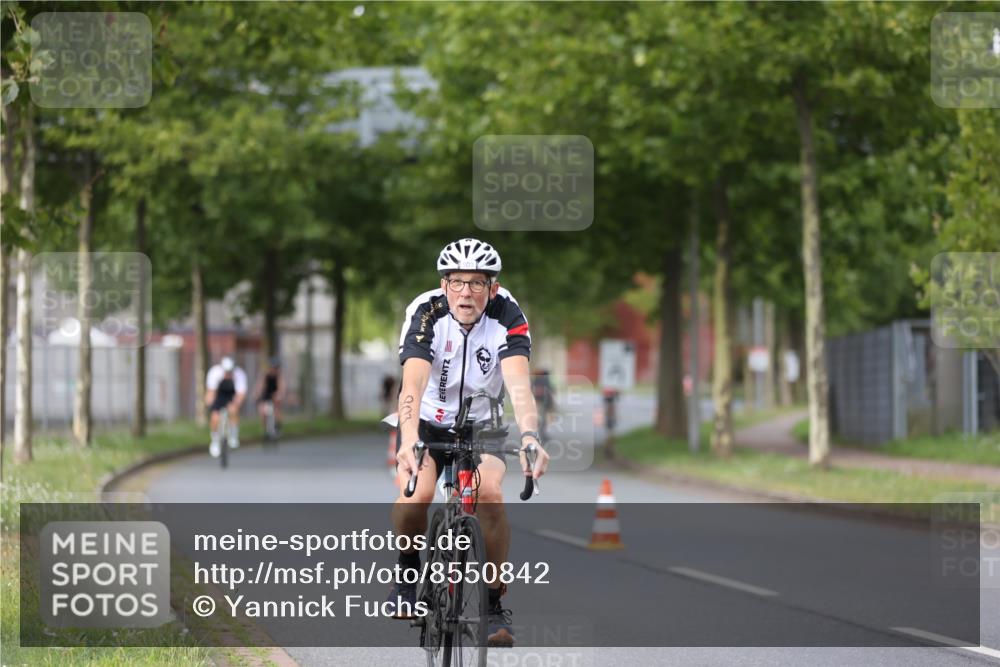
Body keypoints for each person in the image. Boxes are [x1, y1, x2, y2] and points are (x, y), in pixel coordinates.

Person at [388, 237, 551, 648]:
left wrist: (530, 436)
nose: (466, 292)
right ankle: (407, 574)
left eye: (477, 283)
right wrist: (409, 438)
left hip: (482, 425)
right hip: (425, 422)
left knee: (490, 494)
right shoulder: (426, 311)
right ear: (444, 285)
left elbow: (518, 385)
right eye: (457, 282)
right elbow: (412, 383)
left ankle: (493, 604)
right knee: (415, 496)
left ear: (492, 288)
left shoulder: (508, 314)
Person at [205, 356, 248, 457]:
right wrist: (210, 403)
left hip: (232, 395)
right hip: (219, 395)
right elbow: (211, 392)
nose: (228, 374)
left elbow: (241, 394)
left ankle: (233, 435)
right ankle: (215, 441)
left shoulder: (239, 374)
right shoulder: (215, 373)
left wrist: (236, 403)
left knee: (233, 410)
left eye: (230, 372)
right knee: (215, 417)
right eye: (226, 372)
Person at [255, 356, 285, 437]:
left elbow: (281, 387)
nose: (274, 370)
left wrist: (279, 394)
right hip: (266, 394)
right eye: (272, 367)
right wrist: (257, 394)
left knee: (277, 409)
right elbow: (260, 386)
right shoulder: (265, 375)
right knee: (262, 411)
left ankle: (277, 426)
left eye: (275, 368)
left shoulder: (279, 376)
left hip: (275, 394)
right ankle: (265, 429)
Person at [531, 369, 556, 441]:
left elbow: (531, 390)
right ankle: (542, 434)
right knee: (543, 420)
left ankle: (535, 434)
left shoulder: (535, 380)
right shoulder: (546, 380)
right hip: (544, 402)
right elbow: (551, 391)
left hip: (537, 401)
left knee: (538, 419)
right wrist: (552, 404)